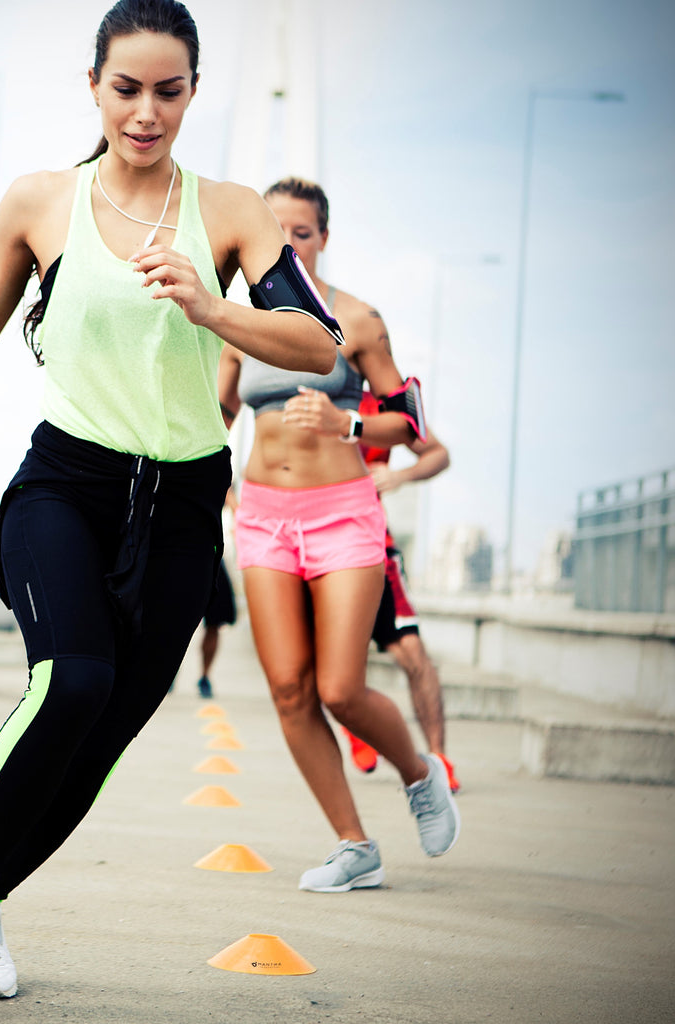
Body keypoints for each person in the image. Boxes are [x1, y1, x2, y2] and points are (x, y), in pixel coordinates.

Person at [0, 3, 337, 1004]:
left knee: (107, 732)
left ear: (194, 93)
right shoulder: (42, 201)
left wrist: (211, 304)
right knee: (73, 680)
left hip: (182, 504)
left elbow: (317, 343)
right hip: (66, 484)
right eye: (126, 88)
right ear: (93, 85)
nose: (145, 112)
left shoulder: (232, 213)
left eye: (168, 91)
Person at [218, 177, 460, 894]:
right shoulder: (240, 322)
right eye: (277, 231)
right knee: (290, 690)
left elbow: (411, 423)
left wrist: (346, 422)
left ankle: (419, 775)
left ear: (323, 238)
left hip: (343, 514)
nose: (289, 244)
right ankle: (355, 846)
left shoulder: (355, 318)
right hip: (263, 517)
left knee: (341, 689)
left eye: (303, 233)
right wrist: (218, 491)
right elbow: (215, 416)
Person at [340, 391, 461, 793]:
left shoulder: (385, 398)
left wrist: (398, 476)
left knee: (413, 653)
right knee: (329, 657)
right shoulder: (306, 384)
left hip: (373, 539)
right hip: (311, 541)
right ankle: (353, 723)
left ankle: (440, 759)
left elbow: (439, 454)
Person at [196, 557, 237, 698]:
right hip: (177, 555)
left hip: (211, 556)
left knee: (214, 623)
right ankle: (168, 670)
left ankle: (205, 677)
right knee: (173, 623)